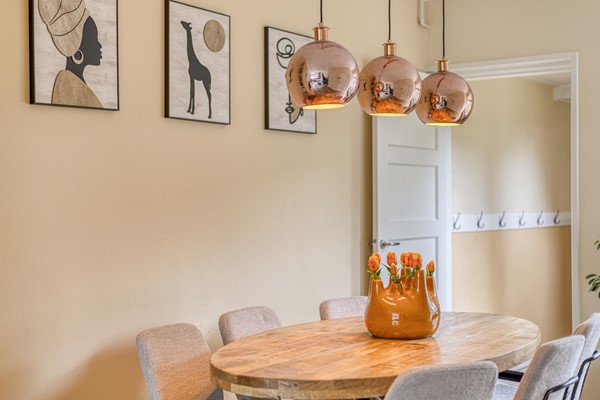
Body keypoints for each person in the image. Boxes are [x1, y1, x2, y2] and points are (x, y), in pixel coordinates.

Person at [38, 0, 103, 108]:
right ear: (77, 49)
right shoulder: (67, 87)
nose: (99, 45)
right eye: (94, 39)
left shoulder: (74, 83)